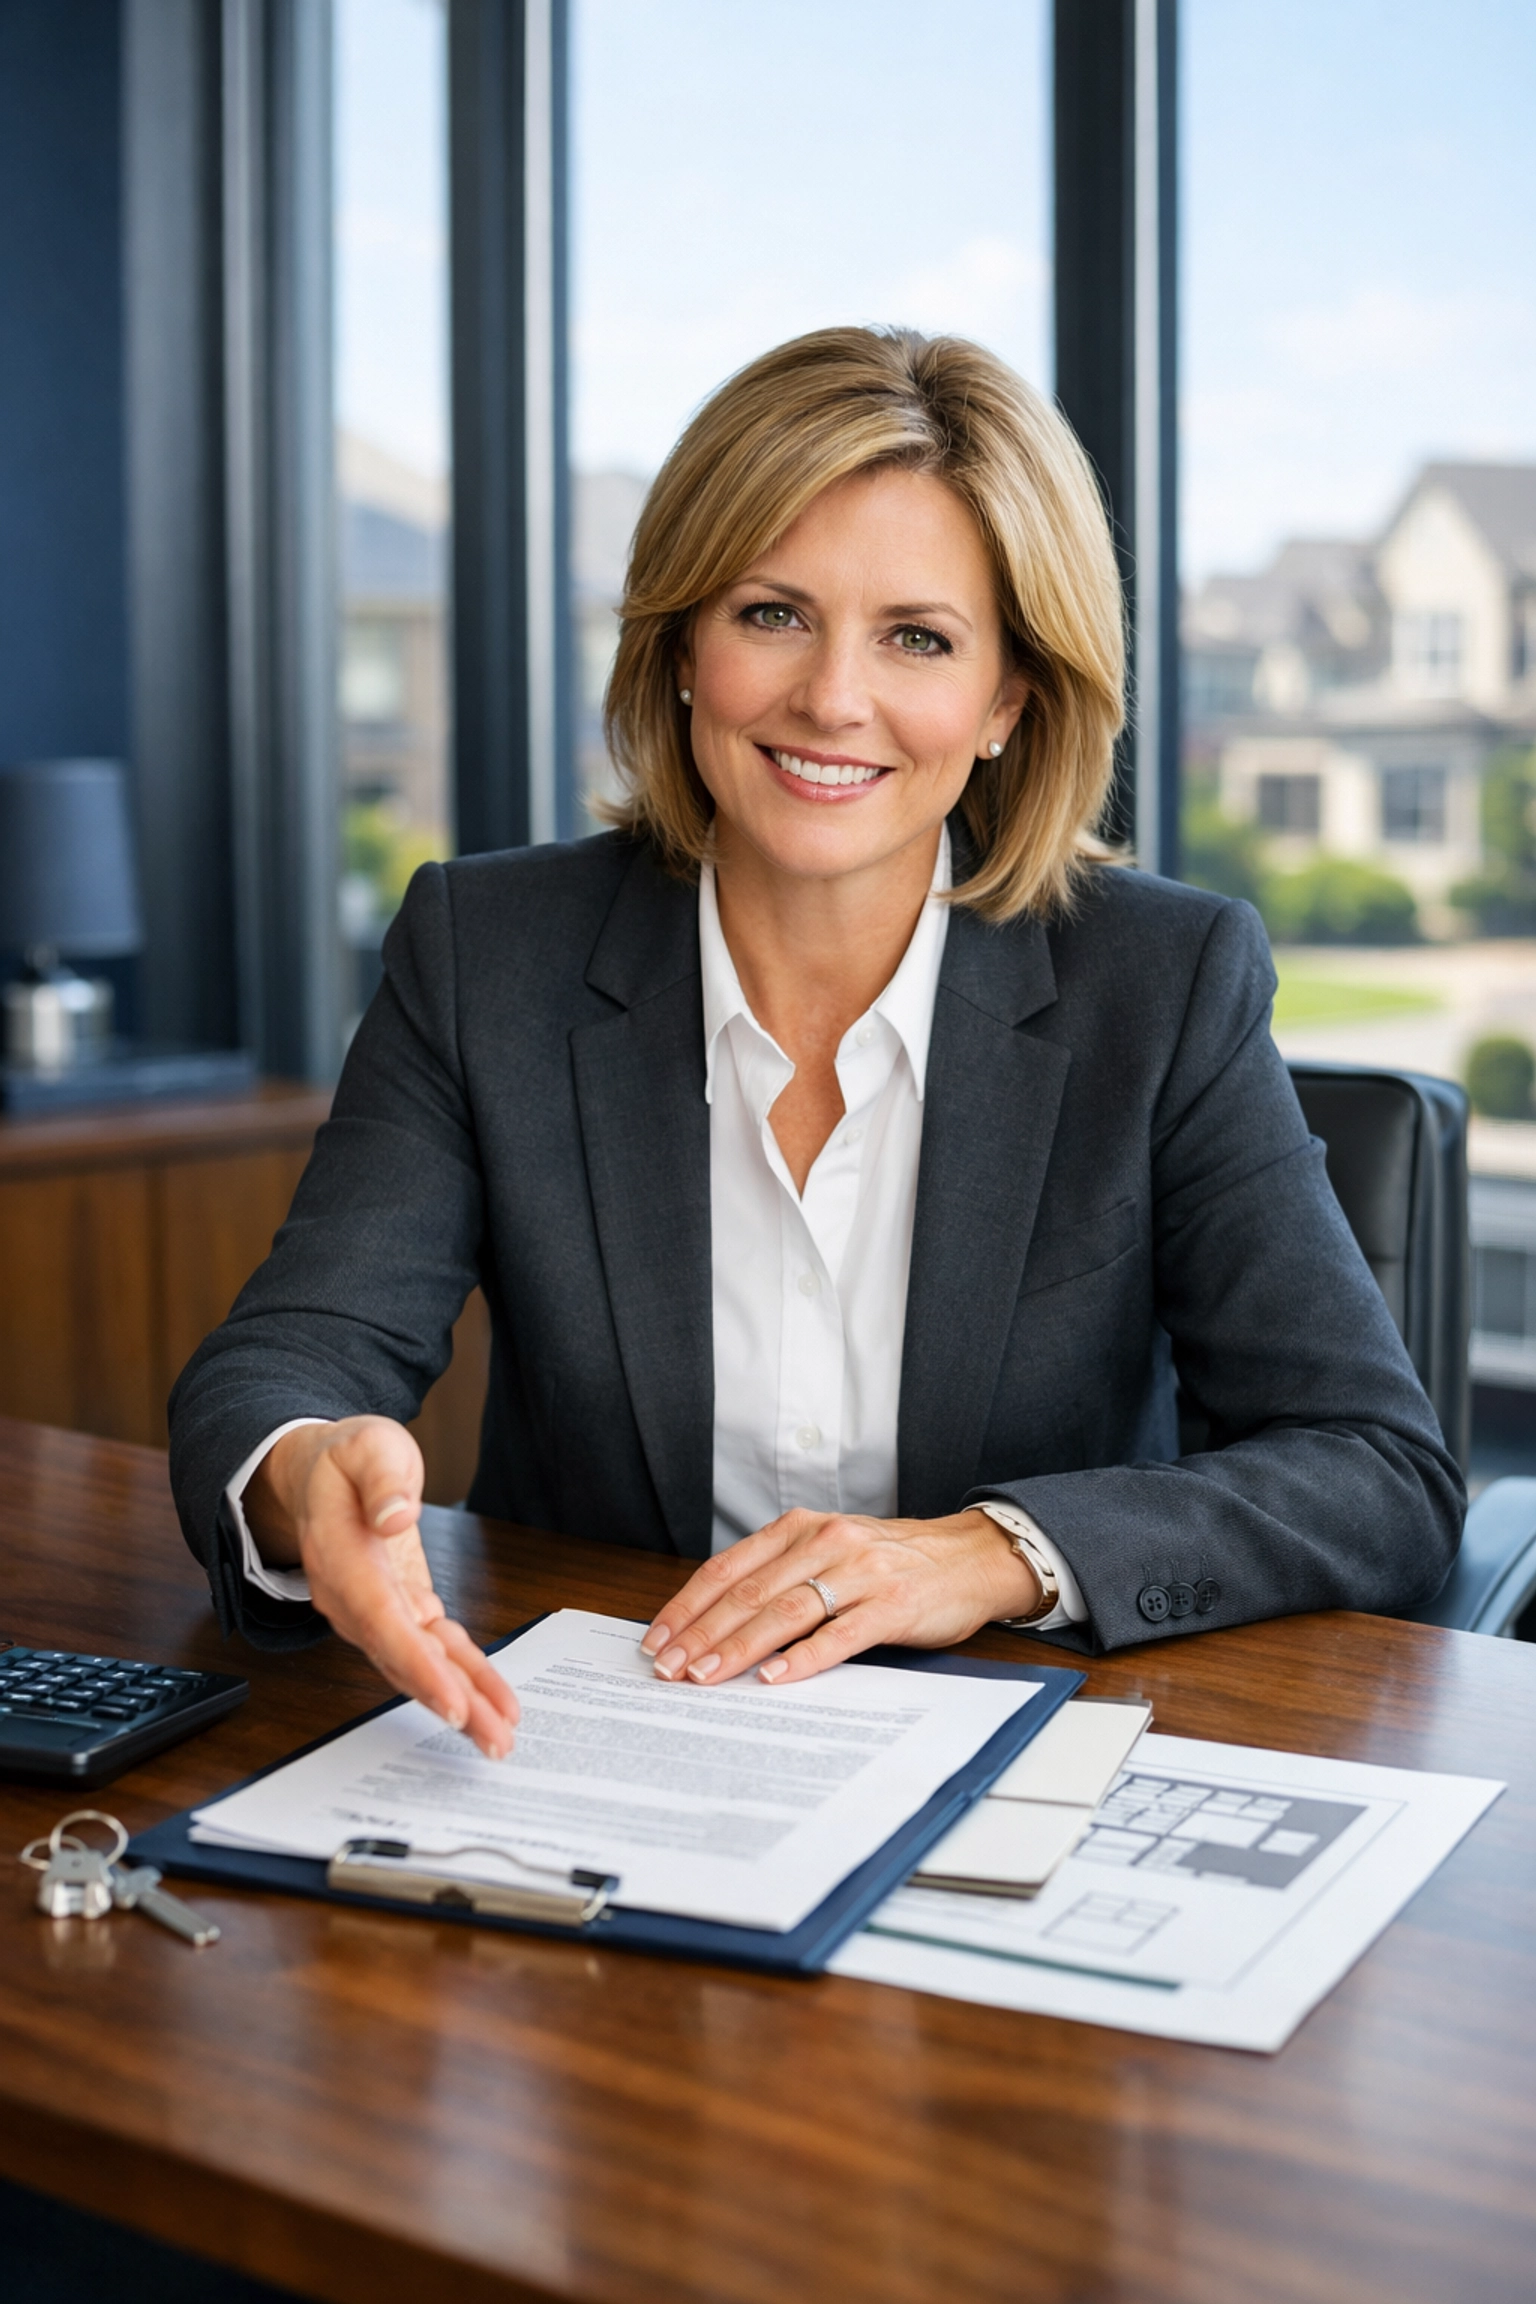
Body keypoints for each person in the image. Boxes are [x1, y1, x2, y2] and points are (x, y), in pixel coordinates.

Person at [169, 326, 1463, 1761]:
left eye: (919, 637)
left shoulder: (1159, 984)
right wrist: (304, 1475)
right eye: (772, 613)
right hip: (601, 1748)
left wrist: (984, 1553)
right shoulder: (491, 953)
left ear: (1007, 701)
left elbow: (1375, 1472)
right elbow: (283, 1365)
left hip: (1022, 1752)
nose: (833, 699)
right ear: (679, 649)